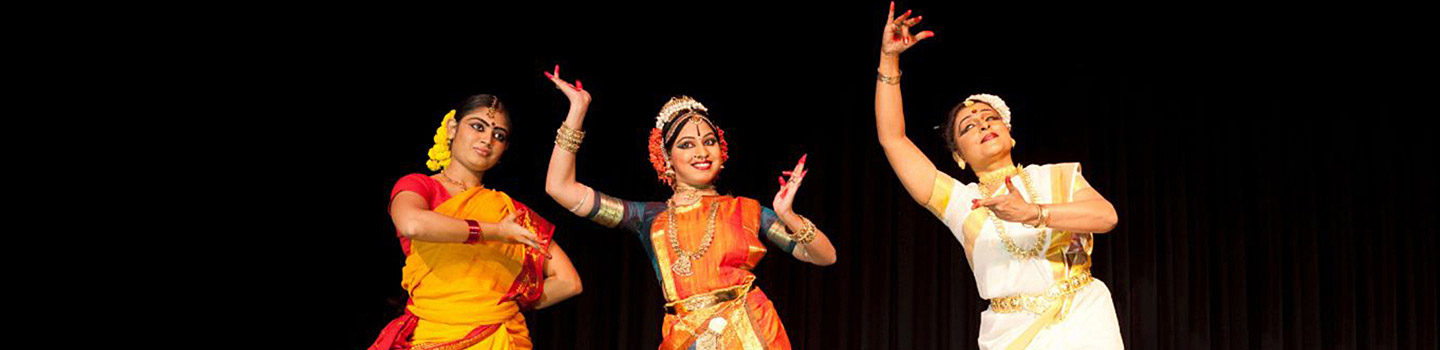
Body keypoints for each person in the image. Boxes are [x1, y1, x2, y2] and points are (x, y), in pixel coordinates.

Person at [872, 3, 1124, 349]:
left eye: (990, 119)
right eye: (968, 127)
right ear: (958, 156)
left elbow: (1106, 216)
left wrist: (1034, 213)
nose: (983, 125)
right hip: (1009, 333)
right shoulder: (961, 202)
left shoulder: (1057, 176)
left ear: (1009, 131)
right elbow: (892, 138)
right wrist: (889, 60)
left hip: (1081, 317)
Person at [541, 65, 836, 349]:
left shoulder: (747, 211)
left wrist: (788, 215)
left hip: (752, 334)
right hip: (685, 337)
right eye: (686, 145)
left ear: (722, 150)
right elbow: (560, 188)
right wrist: (577, 110)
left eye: (709, 142)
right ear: (666, 157)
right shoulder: (648, 218)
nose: (702, 152)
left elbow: (825, 257)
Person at [370, 94, 583, 350]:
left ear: (504, 149)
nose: (487, 139)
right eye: (478, 126)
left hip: (497, 337)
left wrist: (497, 307)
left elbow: (569, 281)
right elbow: (412, 224)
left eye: (499, 135)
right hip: (433, 335)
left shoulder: (509, 211)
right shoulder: (419, 186)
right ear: (452, 128)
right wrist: (495, 232)